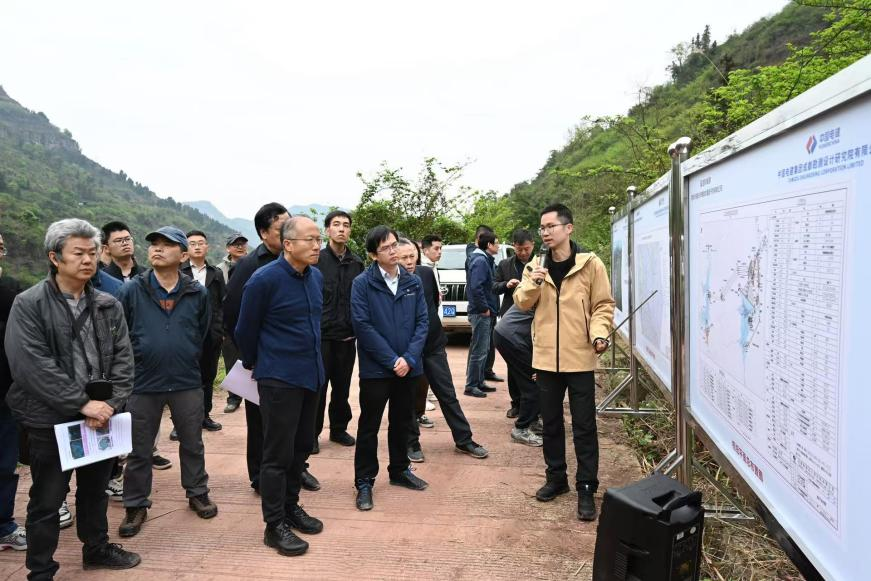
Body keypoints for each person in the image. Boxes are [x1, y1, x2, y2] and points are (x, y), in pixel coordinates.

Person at [5, 219, 141, 578]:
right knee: (48, 499)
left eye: (92, 252)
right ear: (55, 257)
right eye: (78, 253)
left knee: (95, 491)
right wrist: (82, 404)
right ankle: (40, 569)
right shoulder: (29, 304)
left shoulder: (108, 304)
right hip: (50, 419)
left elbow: (124, 359)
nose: (88, 260)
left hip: (101, 416)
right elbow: (30, 365)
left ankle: (96, 548)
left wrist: (110, 405)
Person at [514, 203, 615, 521]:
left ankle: (586, 487)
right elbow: (521, 303)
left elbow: (603, 305)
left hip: (580, 357)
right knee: (552, 424)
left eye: (551, 226)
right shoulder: (535, 265)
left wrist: (599, 334)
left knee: (584, 426)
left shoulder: (590, 264)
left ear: (568, 228)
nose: (545, 232)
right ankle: (556, 478)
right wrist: (534, 282)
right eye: (542, 228)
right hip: (545, 359)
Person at [117, 227, 217, 538]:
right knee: (139, 448)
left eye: (166, 245)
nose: (157, 249)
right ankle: (135, 503)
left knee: (192, 442)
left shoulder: (196, 292)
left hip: (186, 379)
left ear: (183, 255)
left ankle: (197, 492)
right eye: (154, 245)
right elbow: (121, 333)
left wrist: (186, 355)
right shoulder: (133, 290)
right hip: (143, 381)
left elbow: (201, 332)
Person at [235, 216, 325, 557]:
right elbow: (245, 330)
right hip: (279, 379)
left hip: (311, 375)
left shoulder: (315, 277)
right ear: (288, 244)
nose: (316, 245)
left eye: (318, 239)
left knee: (301, 447)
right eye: (309, 240)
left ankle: (290, 507)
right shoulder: (264, 280)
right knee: (277, 453)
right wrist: (259, 363)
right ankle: (274, 526)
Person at [223, 204, 319, 493]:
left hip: (299, 367)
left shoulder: (309, 272)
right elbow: (235, 318)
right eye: (281, 229)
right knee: (261, 425)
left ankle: (294, 476)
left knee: (293, 431)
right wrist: (254, 359)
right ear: (265, 233)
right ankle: (260, 478)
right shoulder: (251, 267)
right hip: (265, 364)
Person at [351, 226, 429, 511]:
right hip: (377, 369)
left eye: (395, 245)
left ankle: (399, 470)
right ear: (374, 255)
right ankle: (364, 482)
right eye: (386, 248)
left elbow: (422, 322)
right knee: (369, 426)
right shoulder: (362, 283)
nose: (394, 251)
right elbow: (362, 325)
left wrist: (408, 358)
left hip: (408, 367)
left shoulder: (412, 281)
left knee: (402, 421)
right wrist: (392, 360)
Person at [396, 239, 488, 464]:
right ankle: (411, 443)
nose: (409, 261)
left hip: (433, 345)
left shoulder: (426, 274)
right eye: (404, 257)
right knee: (408, 398)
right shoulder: (391, 282)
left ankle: (464, 439)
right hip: (407, 350)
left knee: (447, 393)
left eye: (412, 256)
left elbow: (434, 304)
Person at [101, 221, 172, 470]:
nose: (125, 243)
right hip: (116, 352)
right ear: (106, 248)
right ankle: (117, 460)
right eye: (118, 240)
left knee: (150, 404)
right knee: (118, 406)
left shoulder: (148, 275)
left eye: (128, 238)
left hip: (145, 353)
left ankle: (150, 450)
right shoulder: (101, 278)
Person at [314, 210, 363, 453]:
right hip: (321, 337)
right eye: (336, 224)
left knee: (342, 388)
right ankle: (311, 434)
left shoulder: (357, 263)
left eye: (346, 225)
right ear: (327, 230)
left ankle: (338, 429)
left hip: (347, 336)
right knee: (318, 388)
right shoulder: (316, 261)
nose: (341, 228)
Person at [179, 230, 226, 434]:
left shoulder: (216, 273)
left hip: (211, 335)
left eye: (201, 243)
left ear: (207, 247)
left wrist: (220, 330)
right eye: (192, 243)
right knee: (184, 378)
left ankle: (205, 416)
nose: (197, 247)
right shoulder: (179, 272)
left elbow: (223, 303)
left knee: (207, 377)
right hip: (184, 334)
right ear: (185, 248)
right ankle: (180, 423)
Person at [0, 233, 25, 553]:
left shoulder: (11, 290)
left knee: (5, 465)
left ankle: (4, 526)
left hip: (5, 393)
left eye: (1, 248)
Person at [493, 229, 535, 418]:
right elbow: (493, 286)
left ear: (533, 245)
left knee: (533, 363)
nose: (523, 253)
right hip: (512, 316)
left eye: (526, 249)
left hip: (534, 318)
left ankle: (533, 405)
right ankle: (516, 403)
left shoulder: (541, 263)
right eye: (519, 250)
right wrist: (506, 285)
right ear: (514, 247)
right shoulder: (505, 264)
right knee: (513, 365)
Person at [493, 305, 542, 447]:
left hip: (506, 333)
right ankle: (521, 428)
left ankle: (532, 421)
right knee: (534, 383)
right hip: (512, 337)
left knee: (527, 380)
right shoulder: (551, 296)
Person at [465, 225, 503, 384]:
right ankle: (472, 384)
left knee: (484, 349)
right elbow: (476, 287)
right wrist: (484, 308)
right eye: (497, 243)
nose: (498, 246)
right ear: (489, 245)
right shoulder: (480, 260)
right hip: (481, 312)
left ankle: (479, 381)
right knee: (479, 350)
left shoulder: (484, 259)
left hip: (486, 311)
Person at [219, 233, 248, 413]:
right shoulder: (219, 270)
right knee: (231, 360)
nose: (239, 247)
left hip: (249, 320)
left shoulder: (253, 265)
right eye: (235, 244)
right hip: (228, 323)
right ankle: (234, 398)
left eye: (242, 243)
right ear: (228, 248)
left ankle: (255, 396)